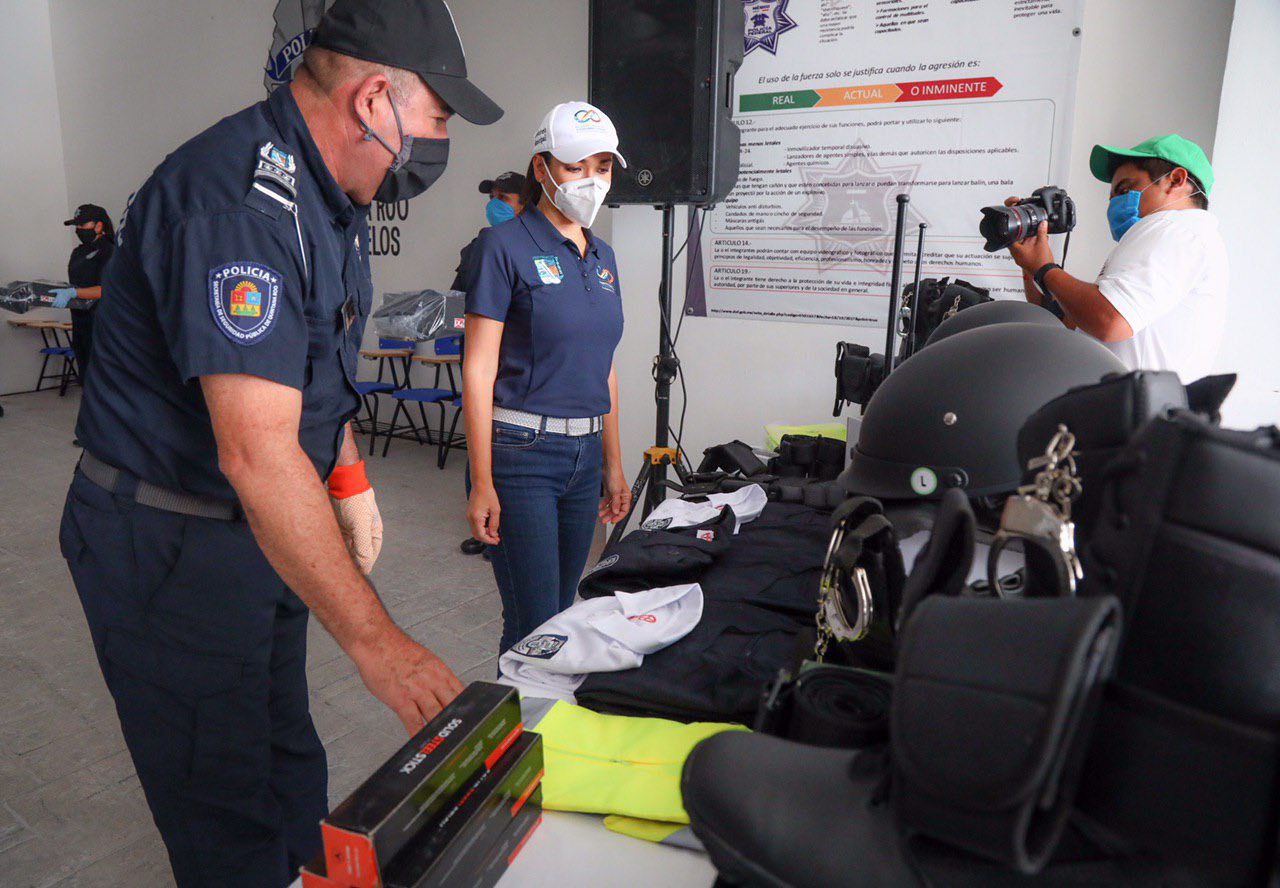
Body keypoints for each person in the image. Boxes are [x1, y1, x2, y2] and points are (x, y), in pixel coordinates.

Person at [57, 1, 501, 885]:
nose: (443, 142)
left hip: (253, 525)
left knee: (286, 752)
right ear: (376, 98)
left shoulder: (329, 198)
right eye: (439, 117)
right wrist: (382, 646)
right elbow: (255, 453)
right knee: (222, 795)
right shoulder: (234, 204)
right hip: (169, 537)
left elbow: (314, 370)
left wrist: (345, 479)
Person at [463, 102, 632, 654]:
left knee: (561, 620)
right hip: (521, 454)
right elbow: (479, 368)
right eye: (575, 165)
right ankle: (517, 737)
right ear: (542, 169)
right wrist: (481, 479)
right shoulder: (503, 246)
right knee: (533, 626)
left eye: (602, 167)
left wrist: (613, 463)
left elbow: (603, 366)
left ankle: (545, 732)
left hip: (584, 458)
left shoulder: (602, 256)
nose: (592, 180)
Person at [1007, 133, 1228, 382]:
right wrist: (1029, 262)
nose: (1115, 204)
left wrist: (1044, 267)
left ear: (1175, 180)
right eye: (1113, 197)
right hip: (1128, 405)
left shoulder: (1176, 228)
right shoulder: (1175, 236)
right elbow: (1068, 322)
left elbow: (1110, 321)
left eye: (1125, 189)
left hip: (1138, 412)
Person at [455, 171, 526, 558]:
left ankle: (509, 528)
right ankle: (481, 523)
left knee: (511, 457)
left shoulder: (539, 249)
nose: (496, 203)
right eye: (493, 196)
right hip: (481, 363)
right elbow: (457, 299)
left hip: (517, 369)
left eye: (506, 197)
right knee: (478, 448)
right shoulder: (479, 245)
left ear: (526, 203)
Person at [49, 204, 115, 386]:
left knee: (105, 381)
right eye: (76, 226)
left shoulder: (109, 251)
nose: (78, 230)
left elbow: (106, 289)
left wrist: (73, 292)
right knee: (86, 379)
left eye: (82, 225)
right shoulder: (78, 252)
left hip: (102, 325)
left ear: (99, 225)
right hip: (81, 324)